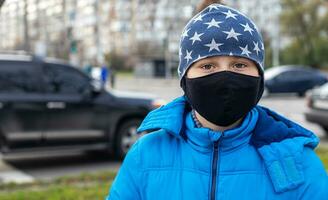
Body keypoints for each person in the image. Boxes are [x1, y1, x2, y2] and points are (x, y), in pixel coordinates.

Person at [106, 4, 327, 200]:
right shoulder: (145, 155)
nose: (224, 77)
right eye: (207, 66)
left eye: (239, 65)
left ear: (259, 77)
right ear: (185, 79)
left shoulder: (297, 162)